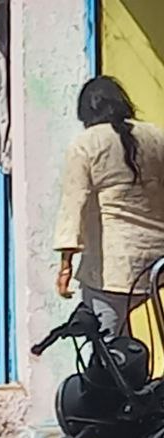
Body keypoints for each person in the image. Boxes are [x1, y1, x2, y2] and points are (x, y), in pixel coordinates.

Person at [55, 76, 164, 334]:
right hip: (158, 264)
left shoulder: (85, 144)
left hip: (113, 269)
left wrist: (65, 266)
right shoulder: (156, 136)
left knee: (109, 349)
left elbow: (73, 204)